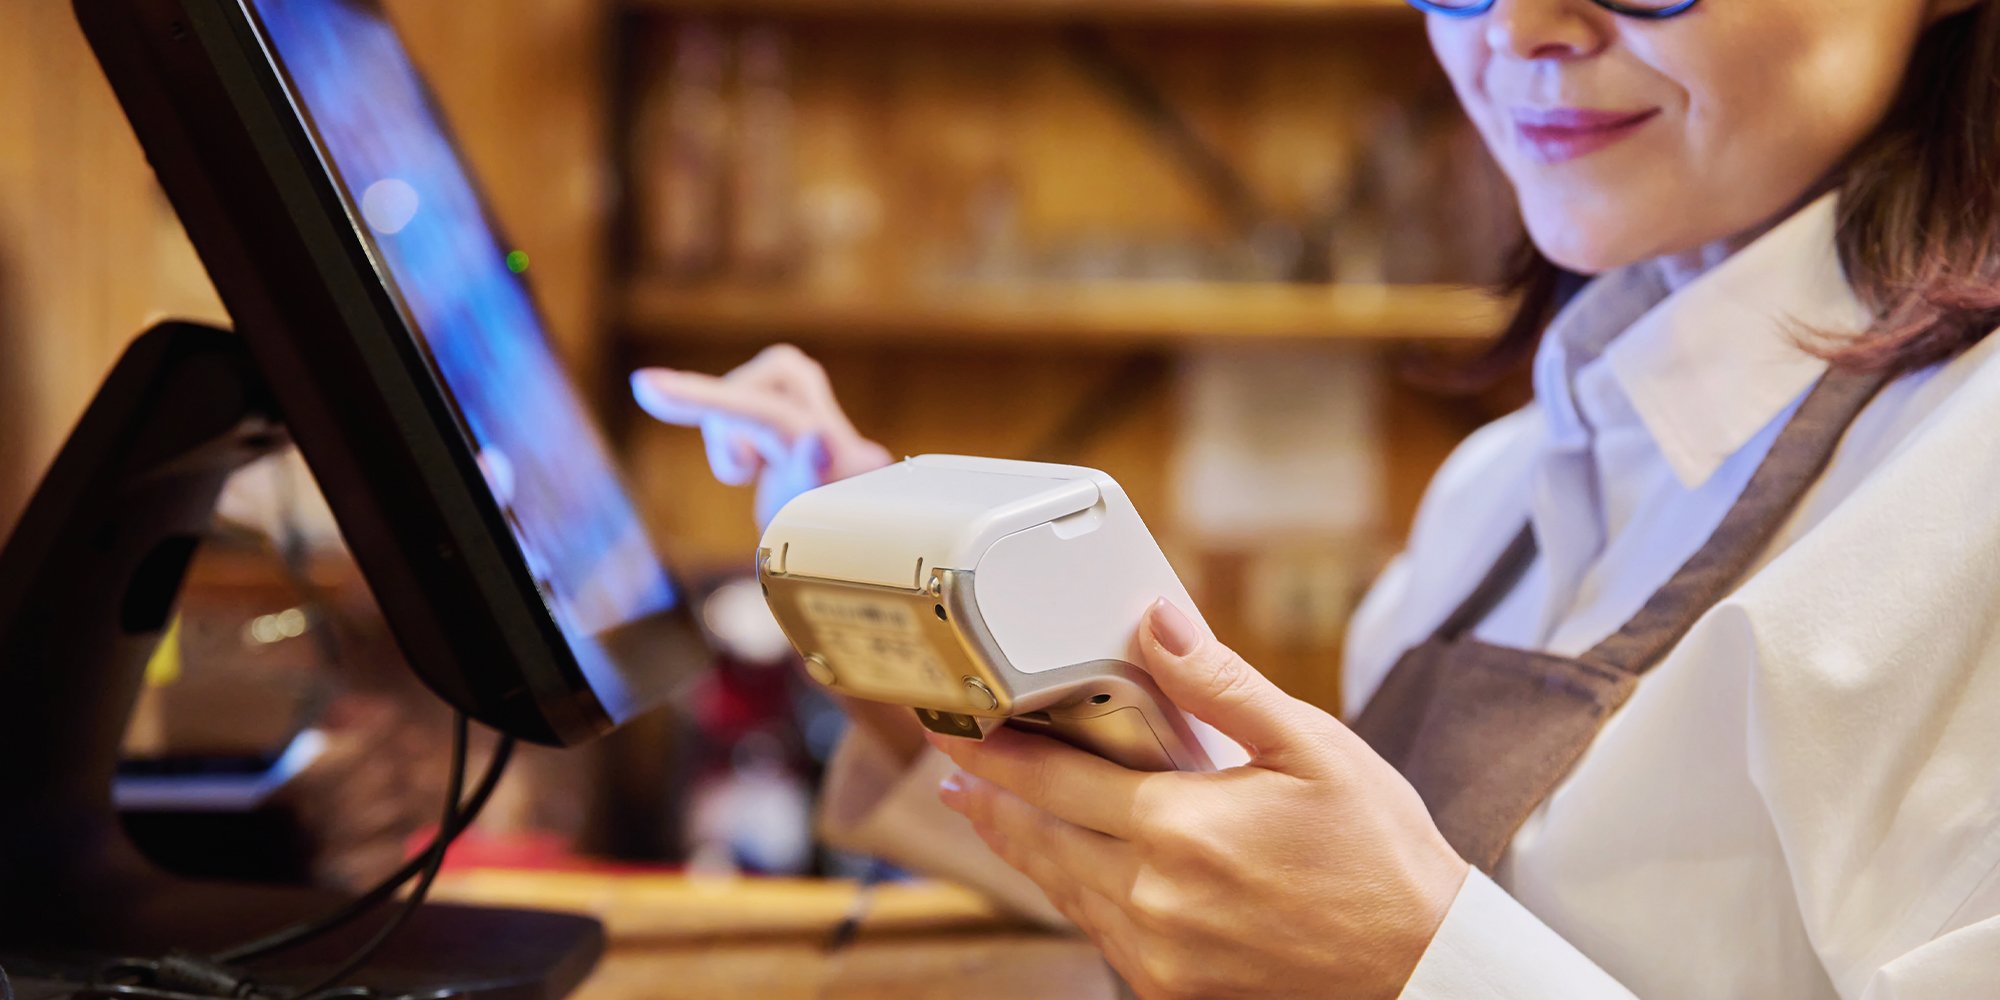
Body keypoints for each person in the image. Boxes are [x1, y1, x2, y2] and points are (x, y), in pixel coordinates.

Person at [630, 0, 2000, 995]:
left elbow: (1381, 942)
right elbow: (1250, 914)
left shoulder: (1968, 476)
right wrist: (930, 652)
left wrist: (1419, 963)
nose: (1518, 29)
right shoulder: (1506, 483)